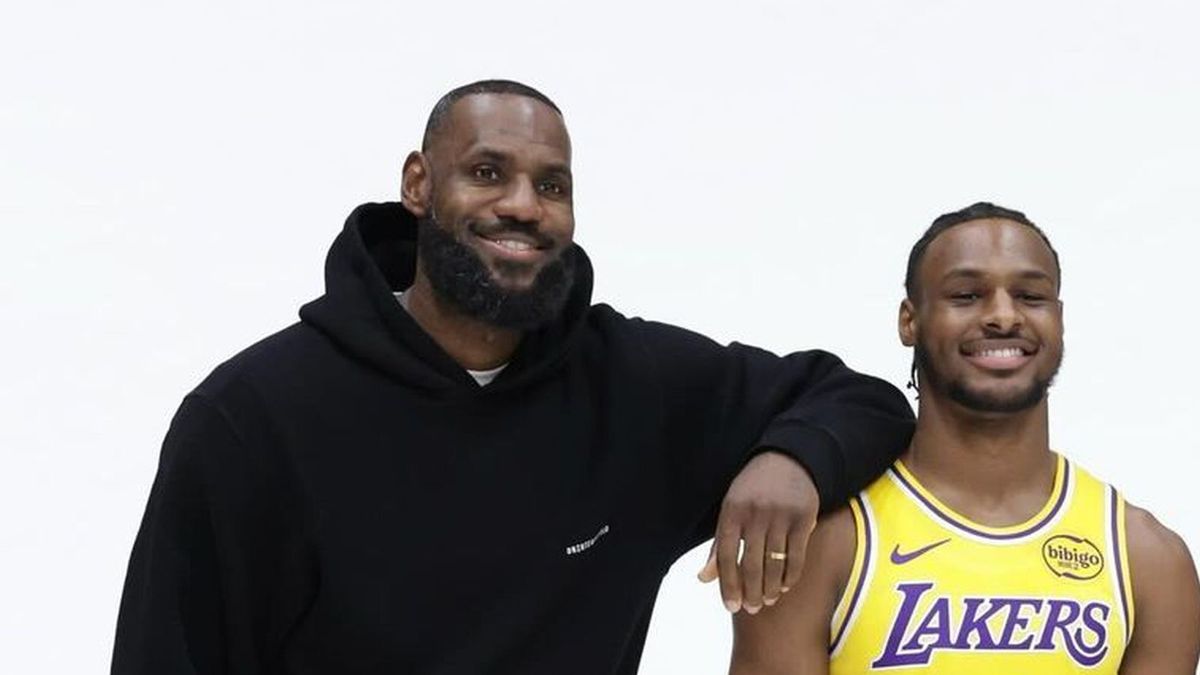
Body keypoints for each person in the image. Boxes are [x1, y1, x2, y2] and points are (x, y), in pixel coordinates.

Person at [110, 79, 914, 674]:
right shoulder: (253, 417)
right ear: (419, 184)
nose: (524, 206)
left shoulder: (634, 387)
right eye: (488, 172)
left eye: (551, 185)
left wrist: (792, 458)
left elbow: (862, 400)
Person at [730, 202, 1200, 674]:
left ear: (1059, 319)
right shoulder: (821, 542)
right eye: (966, 295)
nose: (1003, 316)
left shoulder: (1146, 560)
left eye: (1030, 296)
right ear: (909, 321)